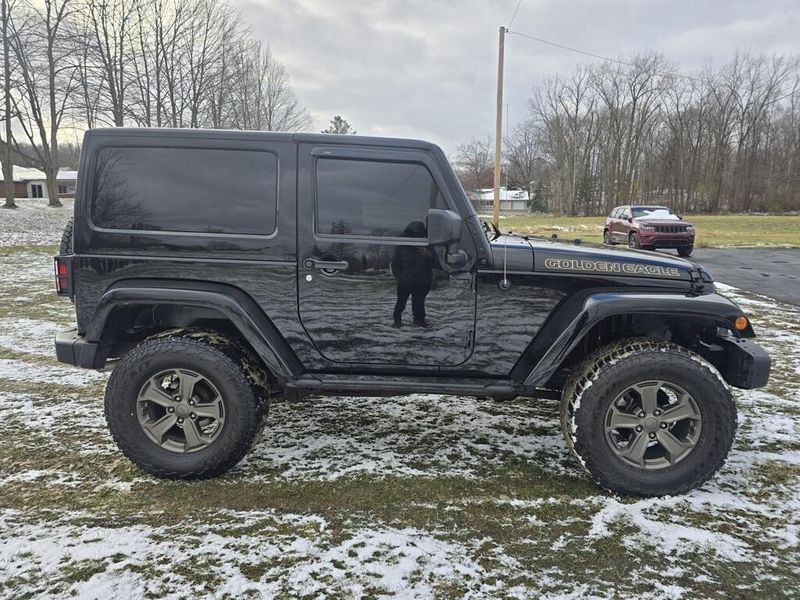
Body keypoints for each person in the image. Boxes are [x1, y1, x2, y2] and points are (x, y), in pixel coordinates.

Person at [391, 221, 433, 328]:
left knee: (418, 303)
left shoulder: (427, 245)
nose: (417, 236)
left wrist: (428, 255)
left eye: (419, 234)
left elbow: (436, 263)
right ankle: (397, 320)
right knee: (400, 303)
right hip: (405, 281)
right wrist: (400, 276)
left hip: (421, 282)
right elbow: (395, 263)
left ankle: (419, 321)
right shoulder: (402, 246)